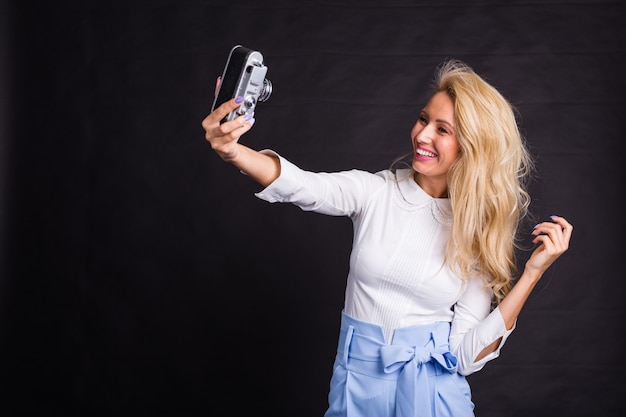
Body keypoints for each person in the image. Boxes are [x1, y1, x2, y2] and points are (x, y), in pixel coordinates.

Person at [201, 59, 573, 417]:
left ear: (472, 149)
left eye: (443, 130)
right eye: (423, 119)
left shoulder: (474, 234)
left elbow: (465, 358)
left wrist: (531, 275)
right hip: (356, 388)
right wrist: (234, 151)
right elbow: (304, 185)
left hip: (434, 397)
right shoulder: (375, 191)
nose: (422, 134)